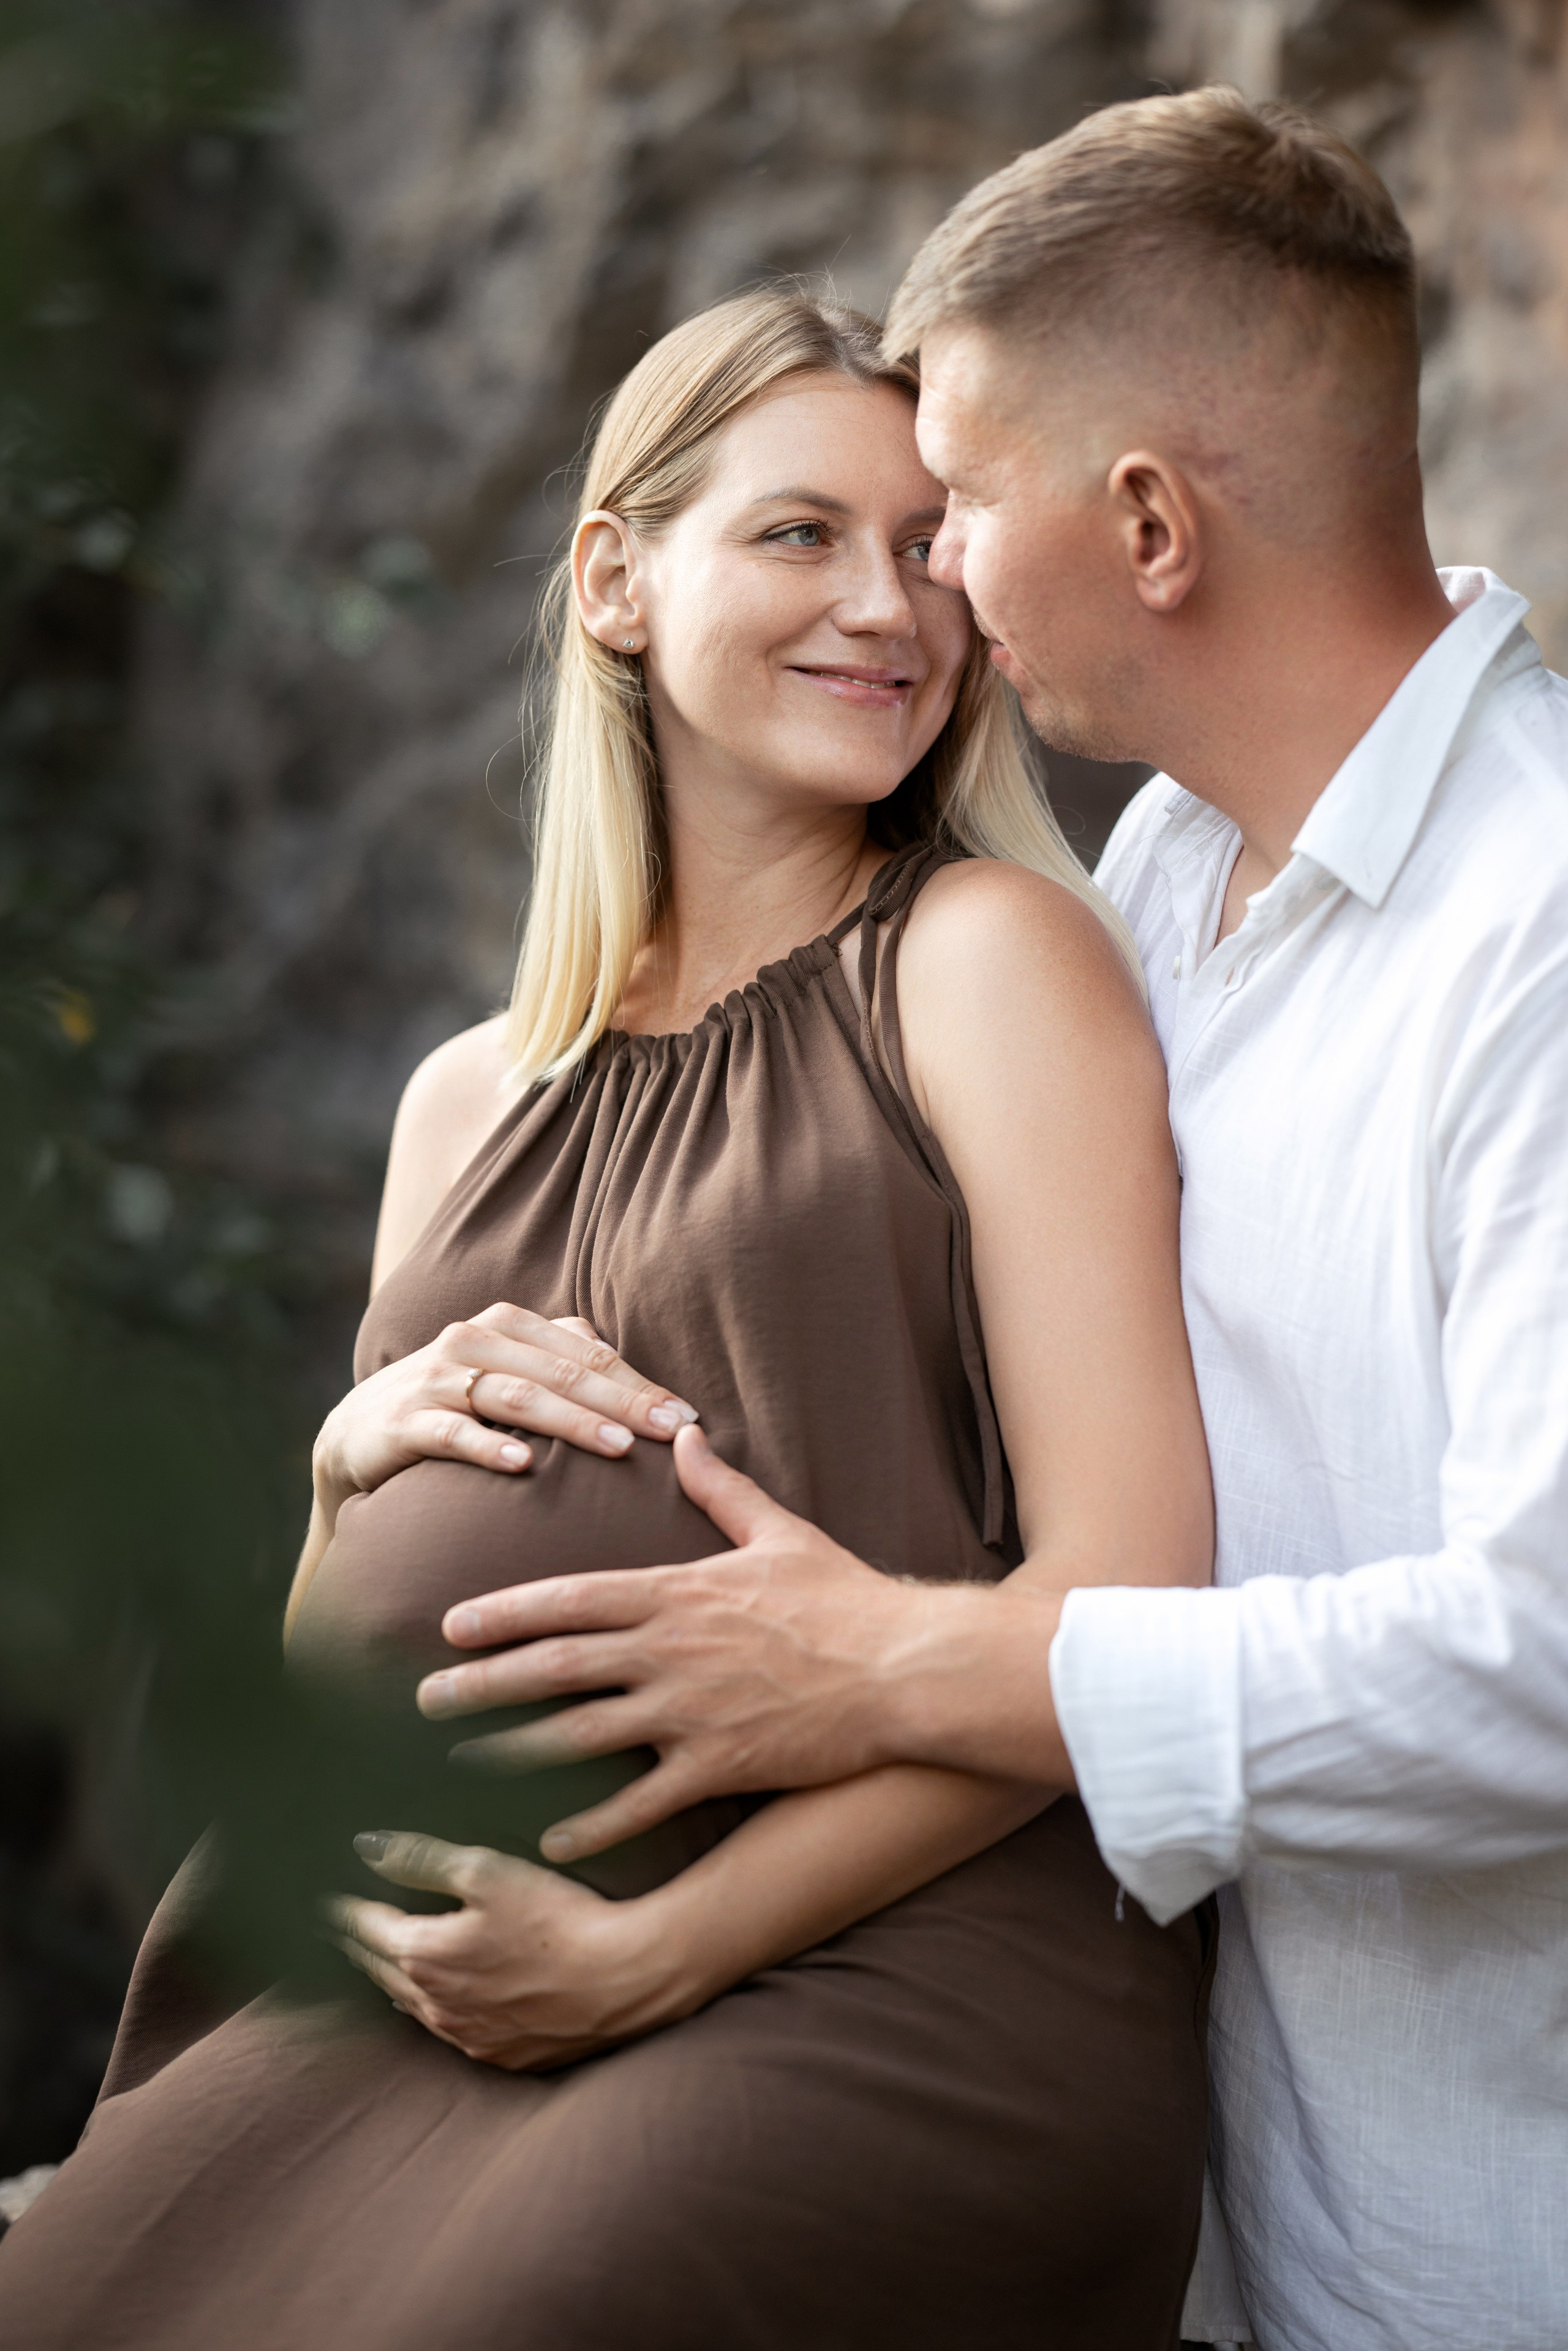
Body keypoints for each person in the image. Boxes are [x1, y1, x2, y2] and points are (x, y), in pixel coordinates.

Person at [409, 92, 1568, 2351]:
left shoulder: (1538, 932)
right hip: (1234, 2222)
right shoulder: (1160, 890)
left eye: (958, 510)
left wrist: (888, 1665)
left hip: (1499, 2240)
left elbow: (1549, 1664)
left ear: (1145, 522)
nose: (921, 588)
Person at [0, 289, 1218, 2349]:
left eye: (930, 545)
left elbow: (1131, 1600)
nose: (886, 605)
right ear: (615, 578)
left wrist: (656, 1958)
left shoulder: (988, 961)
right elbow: (335, 1683)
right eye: (801, 533)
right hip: (442, 1988)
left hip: (881, 1953)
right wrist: (339, 1471)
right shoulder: (467, 1099)